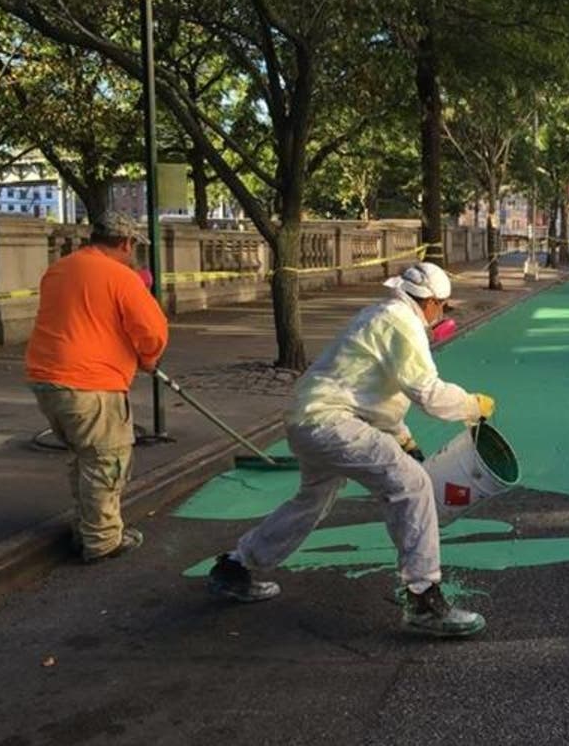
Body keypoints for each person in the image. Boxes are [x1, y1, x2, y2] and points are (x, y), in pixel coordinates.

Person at [207, 261, 496, 639]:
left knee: (312, 501)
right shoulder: (403, 323)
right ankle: (424, 597)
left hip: (308, 419)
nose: (442, 314)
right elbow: (427, 392)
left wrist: (402, 437)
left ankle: (236, 565)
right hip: (331, 422)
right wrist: (472, 405)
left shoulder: (381, 315)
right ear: (430, 302)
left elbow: (373, 391)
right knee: (412, 485)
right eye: (443, 306)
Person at [25, 211, 169, 561]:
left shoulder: (60, 269)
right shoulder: (121, 276)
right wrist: (149, 358)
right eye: (134, 246)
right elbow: (152, 331)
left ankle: (86, 527)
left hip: (47, 380)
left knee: (85, 458)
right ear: (126, 243)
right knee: (107, 459)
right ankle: (102, 541)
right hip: (91, 383)